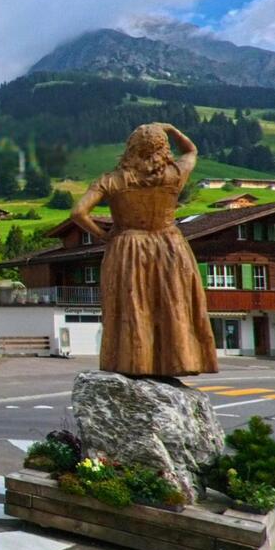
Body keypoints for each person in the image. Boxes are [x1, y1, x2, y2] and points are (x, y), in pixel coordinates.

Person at [70, 123, 219, 378]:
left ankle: (133, 363)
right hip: (169, 244)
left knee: (133, 305)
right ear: (163, 148)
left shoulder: (112, 180)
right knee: (173, 304)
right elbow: (191, 150)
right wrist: (172, 130)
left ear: (131, 148)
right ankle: (178, 360)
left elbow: (78, 213)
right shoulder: (175, 173)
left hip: (128, 246)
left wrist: (103, 235)